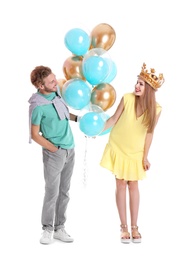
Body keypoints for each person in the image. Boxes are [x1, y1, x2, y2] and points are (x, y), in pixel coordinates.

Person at [100, 63, 164, 243]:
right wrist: (97, 129)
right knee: (120, 184)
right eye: (137, 82)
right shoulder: (127, 98)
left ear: (149, 89)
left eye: (141, 84)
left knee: (133, 186)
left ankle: (135, 226)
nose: (136, 86)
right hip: (118, 146)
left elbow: (150, 133)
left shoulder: (156, 109)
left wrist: (145, 156)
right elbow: (113, 119)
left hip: (135, 152)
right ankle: (123, 227)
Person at [28, 65, 78, 245]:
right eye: (51, 81)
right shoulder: (38, 106)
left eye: (54, 78)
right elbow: (35, 134)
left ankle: (60, 228)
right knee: (52, 192)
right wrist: (53, 149)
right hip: (54, 153)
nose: (55, 82)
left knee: (64, 192)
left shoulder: (57, 95)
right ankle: (47, 229)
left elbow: (63, 114)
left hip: (70, 149)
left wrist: (78, 119)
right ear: (41, 86)